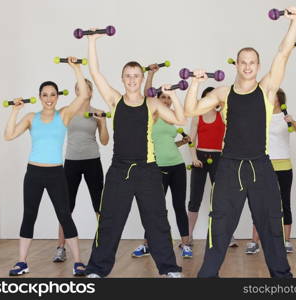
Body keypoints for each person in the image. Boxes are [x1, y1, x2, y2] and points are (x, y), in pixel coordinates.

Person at [184, 7, 296, 278]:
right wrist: (193, 83)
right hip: (230, 167)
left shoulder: (266, 89)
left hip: (261, 166)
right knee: (220, 225)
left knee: (272, 225)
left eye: (252, 62)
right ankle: (207, 277)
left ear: (257, 66)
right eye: (243, 62)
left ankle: (282, 278)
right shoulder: (224, 93)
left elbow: (284, 52)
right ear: (236, 65)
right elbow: (191, 111)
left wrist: (294, 21)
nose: (248, 66)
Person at [84, 31, 185, 278]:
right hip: (119, 170)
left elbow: (180, 119)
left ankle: (169, 268)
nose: (132, 79)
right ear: (122, 78)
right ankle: (96, 270)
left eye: (136, 76)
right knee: (109, 222)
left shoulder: (151, 104)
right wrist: (92, 41)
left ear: (141, 79)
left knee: (157, 221)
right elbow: (95, 73)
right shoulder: (115, 100)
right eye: (128, 76)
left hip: (148, 170)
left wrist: (173, 96)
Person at [4, 57, 87, 276]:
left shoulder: (65, 115)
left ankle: (78, 261)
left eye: (52, 94)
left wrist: (75, 68)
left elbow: (84, 95)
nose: (49, 98)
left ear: (58, 96)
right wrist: (15, 111)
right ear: (40, 97)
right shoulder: (32, 117)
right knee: (29, 215)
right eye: (45, 95)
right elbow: (9, 135)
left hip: (55, 173)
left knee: (64, 216)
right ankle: (22, 262)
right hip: (34, 172)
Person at [131, 64, 192, 259]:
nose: (166, 100)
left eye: (168, 98)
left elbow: (168, 143)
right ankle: (147, 244)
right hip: (157, 168)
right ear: (158, 99)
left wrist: (183, 141)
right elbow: (147, 96)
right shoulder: (153, 114)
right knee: (155, 208)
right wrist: (151, 74)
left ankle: (185, 244)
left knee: (179, 205)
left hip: (177, 166)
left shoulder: (173, 118)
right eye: (163, 97)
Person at [53, 79, 109, 263]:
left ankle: (102, 246)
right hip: (71, 161)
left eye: (87, 89)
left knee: (99, 206)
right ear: (76, 91)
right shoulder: (67, 111)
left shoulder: (97, 112)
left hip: (92, 160)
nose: (84, 92)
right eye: (80, 89)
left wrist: (103, 122)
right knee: (66, 206)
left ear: (91, 92)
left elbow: (105, 141)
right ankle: (61, 247)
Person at [245, 88, 296, 255]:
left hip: (284, 166)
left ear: (280, 99)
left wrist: (292, 121)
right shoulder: (262, 114)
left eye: (275, 97)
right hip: (264, 165)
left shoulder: (286, 117)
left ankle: (286, 241)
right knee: (259, 204)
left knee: (284, 203)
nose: (272, 99)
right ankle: (254, 242)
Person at [187, 87, 238, 248]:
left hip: (219, 158)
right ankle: (188, 236)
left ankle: (227, 235)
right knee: (195, 199)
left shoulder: (222, 116)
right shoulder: (197, 116)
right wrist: (194, 158)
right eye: (207, 98)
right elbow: (191, 140)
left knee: (221, 199)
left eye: (213, 98)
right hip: (199, 159)